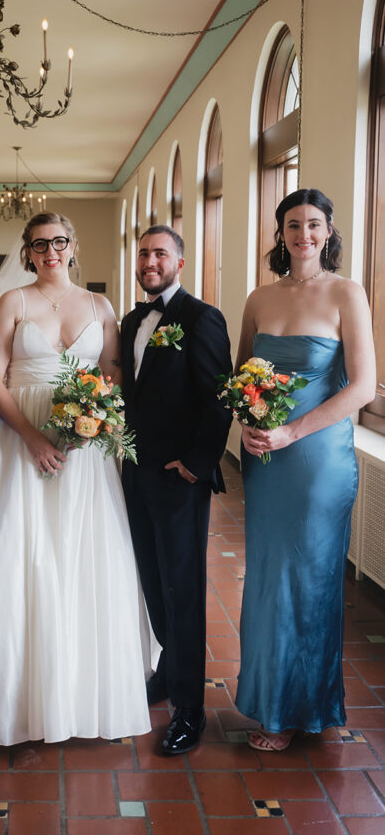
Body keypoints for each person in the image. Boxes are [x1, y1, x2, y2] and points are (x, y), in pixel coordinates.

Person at [0, 212, 152, 745]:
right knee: (19, 554)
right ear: (27, 252)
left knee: (82, 553)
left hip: (85, 449)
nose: (50, 251)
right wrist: (32, 435)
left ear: (73, 247)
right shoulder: (13, 303)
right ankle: (6, 700)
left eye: (59, 242)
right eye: (39, 244)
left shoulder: (100, 307)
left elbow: (112, 373)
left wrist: (93, 414)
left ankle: (81, 692)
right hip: (21, 443)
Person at [234, 189, 375, 751]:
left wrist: (293, 430)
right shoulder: (258, 297)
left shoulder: (347, 293)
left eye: (314, 224)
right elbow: (241, 375)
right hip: (264, 458)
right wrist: (246, 422)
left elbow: (363, 386)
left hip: (318, 460)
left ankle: (309, 706)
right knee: (269, 580)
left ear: (329, 230)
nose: (304, 234)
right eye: (293, 225)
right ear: (281, 233)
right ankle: (274, 704)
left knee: (312, 578)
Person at [121, 225, 232, 755]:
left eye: (159, 253)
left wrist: (195, 464)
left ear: (179, 262)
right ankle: (168, 672)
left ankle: (190, 708)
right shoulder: (131, 322)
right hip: (136, 473)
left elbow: (219, 399)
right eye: (143, 253)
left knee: (183, 590)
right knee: (151, 579)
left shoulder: (202, 318)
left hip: (179, 477)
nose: (150, 261)